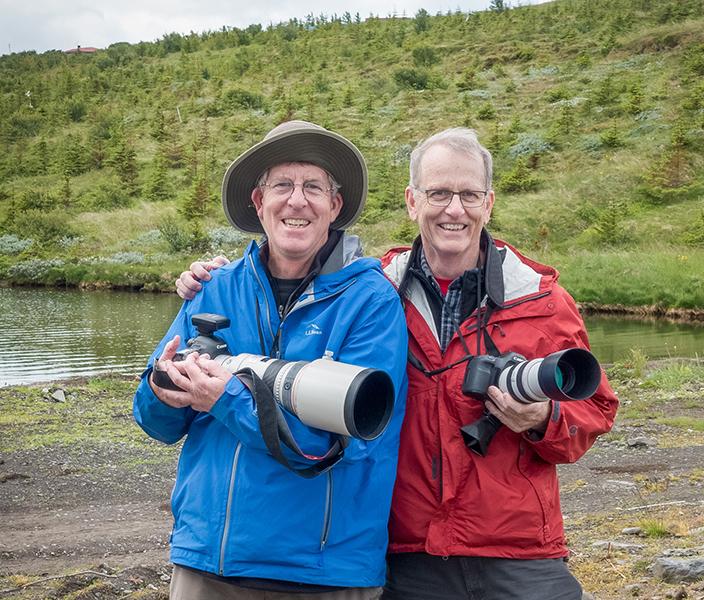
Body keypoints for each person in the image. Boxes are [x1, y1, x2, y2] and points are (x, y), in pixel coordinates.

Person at [177, 127, 618, 600]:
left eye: (469, 194)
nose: (454, 209)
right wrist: (216, 278)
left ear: (489, 203)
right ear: (412, 200)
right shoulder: (372, 293)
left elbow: (595, 411)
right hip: (409, 552)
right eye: (439, 193)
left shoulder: (541, 300)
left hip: (520, 552)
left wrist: (542, 418)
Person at [136, 120, 408, 600]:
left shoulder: (371, 301)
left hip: (322, 572)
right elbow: (155, 423)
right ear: (259, 203)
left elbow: (347, 443)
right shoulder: (213, 287)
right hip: (207, 562)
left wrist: (226, 397)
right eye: (282, 185)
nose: (297, 201)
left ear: (335, 206)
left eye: (313, 188)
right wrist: (164, 387)